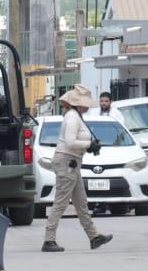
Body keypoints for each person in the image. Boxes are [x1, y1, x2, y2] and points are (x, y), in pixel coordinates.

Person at [42, 85, 114, 253]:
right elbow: (70, 142)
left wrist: (89, 146)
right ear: (78, 103)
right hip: (67, 162)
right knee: (61, 203)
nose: (88, 105)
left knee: (81, 203)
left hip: (71, 162)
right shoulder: (73, 117)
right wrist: (89, 144)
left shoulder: (75, 115)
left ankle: (94, 236)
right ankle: (49, 239)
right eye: (86, 102)